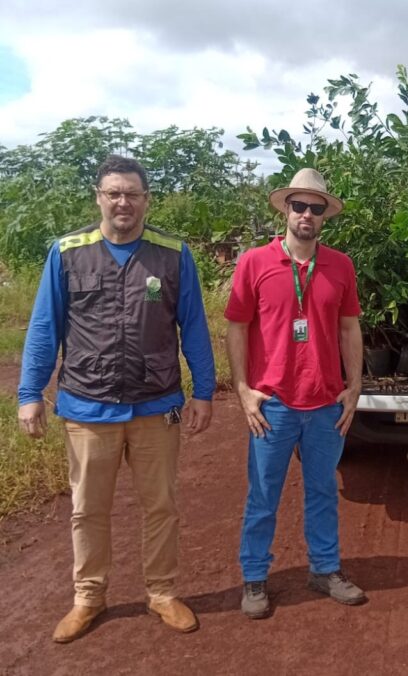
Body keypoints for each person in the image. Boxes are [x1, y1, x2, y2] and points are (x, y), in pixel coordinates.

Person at [17, 155, 215, 642]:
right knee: (88, 509)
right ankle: (88, 597)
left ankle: (163, 592)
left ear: (147, 200)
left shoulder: (172, 253)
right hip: (87, 405)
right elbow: (46, 326)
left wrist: (204, 391)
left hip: (156, 404)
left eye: (132, 193)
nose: (123, 202)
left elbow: (193, 325)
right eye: (114, 193)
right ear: (99, 197)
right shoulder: (67, 252)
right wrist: (30, 393)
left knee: (161, 506)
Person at [225, 167, 365, 618]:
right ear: (286, 209)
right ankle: (255, 578)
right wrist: (244, 390)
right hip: (274, 404)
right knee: (263, 493)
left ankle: (325, 569)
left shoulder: (341, 265)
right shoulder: (254, 262)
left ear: (325, 216)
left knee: (323, 490)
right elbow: (236, 328)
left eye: (316, 207)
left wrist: (355, 386)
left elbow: (349, 328)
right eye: (299, 205)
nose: (307, 213)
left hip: (325, 403)